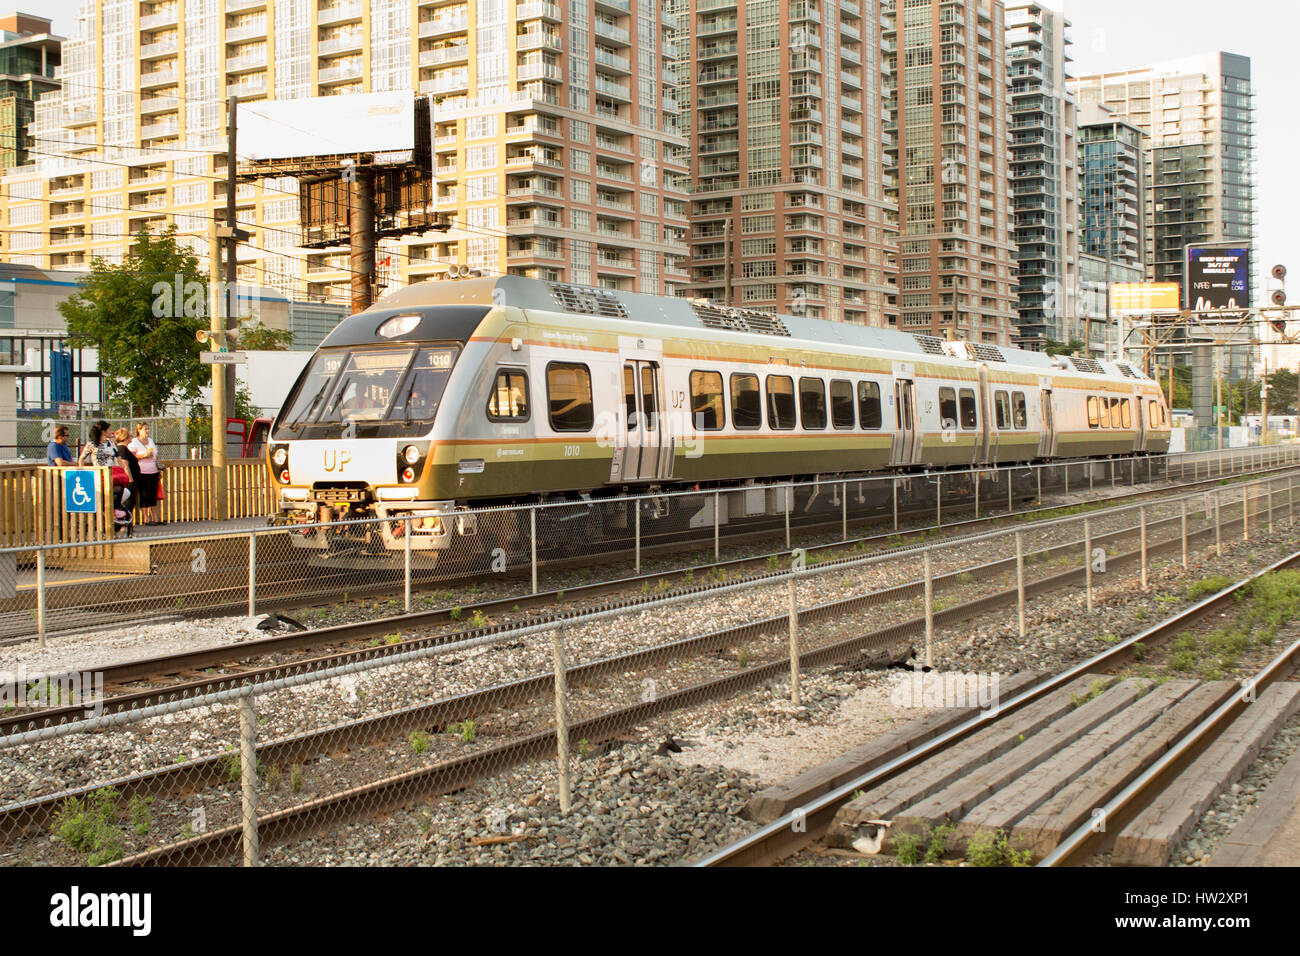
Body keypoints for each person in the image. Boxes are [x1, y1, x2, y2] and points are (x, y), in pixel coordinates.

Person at [127, 422, 162, 526]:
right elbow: (131, 457)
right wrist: (143, 455)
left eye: (148, 429)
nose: (147, 431)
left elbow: (155, 455)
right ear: (139, 430)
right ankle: (146, 519)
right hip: (142, 471)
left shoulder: (150, 440)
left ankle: (155, 518)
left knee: (153, 494)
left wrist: (158, 468)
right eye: (145, 429)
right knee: (144, 494)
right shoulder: (134, 442)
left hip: (153, 470)